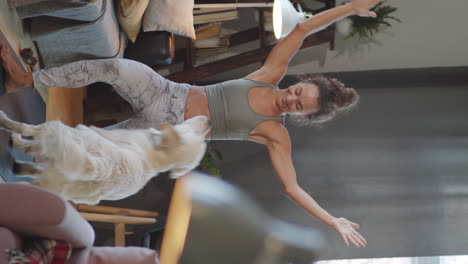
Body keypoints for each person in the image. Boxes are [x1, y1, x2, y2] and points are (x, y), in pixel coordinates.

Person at [0, 0, 381, 248]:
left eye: (300, 107)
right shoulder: (269, 75)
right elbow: (300, 30)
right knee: (116, 67)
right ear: (299, 82)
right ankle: (27, 80)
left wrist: (333, 221)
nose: (292, 99)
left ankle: (13, 187)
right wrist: (349, 8)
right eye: (299, 92)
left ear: (304, 117)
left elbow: (292, 187)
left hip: (159, 140)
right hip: (166, 93)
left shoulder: (274, 134)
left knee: (84, 153)